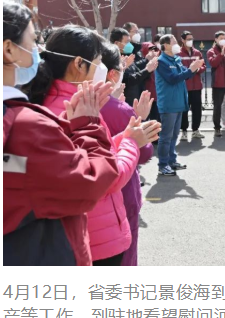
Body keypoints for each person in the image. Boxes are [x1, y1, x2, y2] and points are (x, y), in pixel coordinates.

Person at [27, 25, 155, 266]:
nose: (102, 69)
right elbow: (105, 176)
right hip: (96, 237)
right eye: (98, 61)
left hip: (88, 233)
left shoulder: (67, 101)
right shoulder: (73, 108)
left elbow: (94, 155)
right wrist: (130, 142)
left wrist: (123, 138)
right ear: (78, 63)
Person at [3, 0, 119, 266]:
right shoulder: (27, 125)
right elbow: (90, 182)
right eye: (33, 40)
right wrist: (87, 126)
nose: (38, 50)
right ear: (9, 49)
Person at [100, 42, 160, 265]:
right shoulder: (116, 109)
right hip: (120, 195)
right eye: (121, 66)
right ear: (112, 73)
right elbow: (144, 152)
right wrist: (138, 119)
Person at [155, 34, 204, 176]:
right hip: (168, 103)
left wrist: (193, 69)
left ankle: (172, 161)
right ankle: (163, 165)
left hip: (178, 102)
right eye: (174, 42)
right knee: (166, 136)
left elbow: (185, 75)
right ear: (165, 46)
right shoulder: (162, 61)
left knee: (174, 135)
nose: (176, 44)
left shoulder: (176, 59)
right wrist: (190, 70)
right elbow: (172, 79)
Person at [119, 22, 158, 107]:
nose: (138, 34)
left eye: (138, 31)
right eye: (135, 31)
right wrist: (146, 61)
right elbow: (132, 69)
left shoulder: (138, 49)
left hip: (140, 90)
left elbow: (137, 68)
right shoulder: (125, 49)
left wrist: (149, 67)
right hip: (130, 96)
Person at [179, 31, 206, 140]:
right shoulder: (179, 53)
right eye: (188, 39)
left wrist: (198, 69)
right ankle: (184, 131)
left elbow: (203, 66)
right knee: (184, 110)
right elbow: (179, 68)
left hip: (196, 86)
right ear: (183, 40)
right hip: (184, 86)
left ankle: (195, 130)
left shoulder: (197, 52)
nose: (190, 41)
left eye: (191, 39)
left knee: (197, 109)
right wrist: (190, 70)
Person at [141, 41, 161, 123]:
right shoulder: (141, 63)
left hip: (156, 96)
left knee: (156, 120)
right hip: (145, 97)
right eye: (150, 49)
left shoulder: (157, 62)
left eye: (154, 49)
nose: (153, 51)